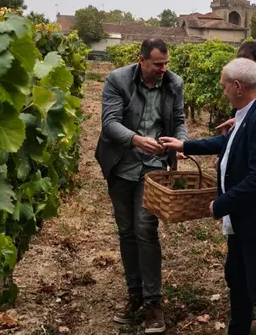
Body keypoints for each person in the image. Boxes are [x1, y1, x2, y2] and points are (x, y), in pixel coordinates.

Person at [159, 58, 256, 335]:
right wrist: (184, 144)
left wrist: (220, 204)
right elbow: (227, 143)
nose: (223, 92)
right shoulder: (250, 112)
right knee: (238, 283)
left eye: (224, 87)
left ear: (238, 86)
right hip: (244, 223)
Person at [94, 38, 188, 333]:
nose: (163, 69)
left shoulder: (174, 83)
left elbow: (179, 120)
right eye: (158, 64)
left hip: (154, 169)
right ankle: (134, 296)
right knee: (127, 233)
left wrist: (181, 142)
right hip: (122, 165)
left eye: (166, 63)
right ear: (142, 60)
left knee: (145, 230)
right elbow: (109, 124)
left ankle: (153, 304)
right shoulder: (117, 80)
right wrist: (136, 139)